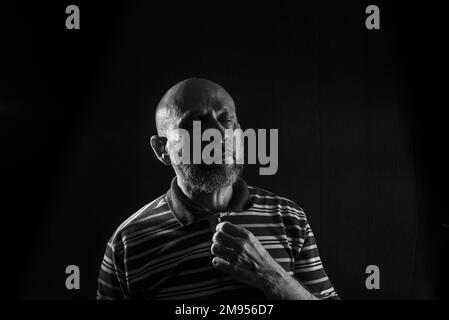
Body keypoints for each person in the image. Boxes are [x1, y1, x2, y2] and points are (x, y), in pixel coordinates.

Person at [97, 78, 339, 300]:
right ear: (162, 148)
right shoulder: (127, 242)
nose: (219, 133)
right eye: (196, 122)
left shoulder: (289, 218)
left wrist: (274, 279)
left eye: (226, 120)